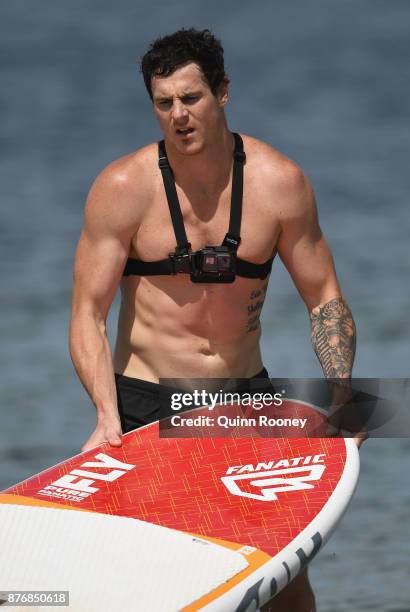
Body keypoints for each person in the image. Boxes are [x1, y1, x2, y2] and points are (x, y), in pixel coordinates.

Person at [69, 28, 359, 612]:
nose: (178, 115)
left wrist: (343, 394)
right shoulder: (122, 189)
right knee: (162, 570)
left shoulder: (280, 184)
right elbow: (87, 314)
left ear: (222, 92)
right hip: (147, 404)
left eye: (191, 98)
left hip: (243, 399)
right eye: (163, 102)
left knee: (282, 572)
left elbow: (324, 296)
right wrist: (105, 417)